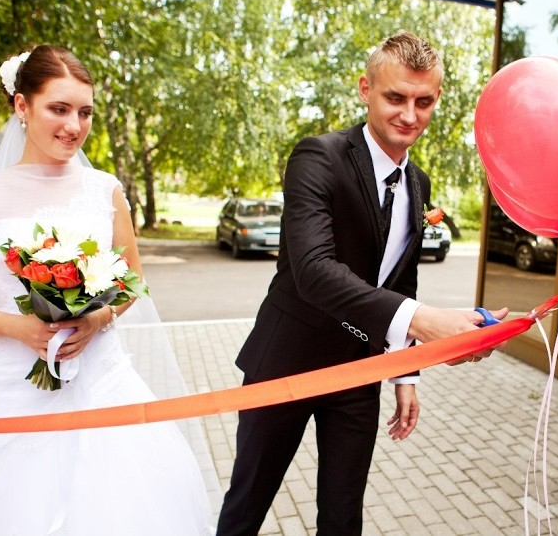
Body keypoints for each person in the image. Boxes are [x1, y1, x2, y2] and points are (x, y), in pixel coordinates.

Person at [0, 45, 214, 535]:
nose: (74, 125)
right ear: (22, 106)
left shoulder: (104, 189)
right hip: (14, 383)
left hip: (102, 378)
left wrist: (96, 318)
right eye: (59, 108)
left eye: (85, 112)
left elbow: (132, 279)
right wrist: (22, 328)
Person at [216, 31, 507, 536]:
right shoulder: (317, 157)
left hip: (359, 370)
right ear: (365, 89)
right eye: (396, 98)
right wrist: (425, 321)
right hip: (286, 362)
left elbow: (403, 278)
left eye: (424, 102)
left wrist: (406, 374)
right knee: (247, 505)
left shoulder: (419, 182)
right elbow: (313, 270)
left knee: (344, 515)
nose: (410, 115)